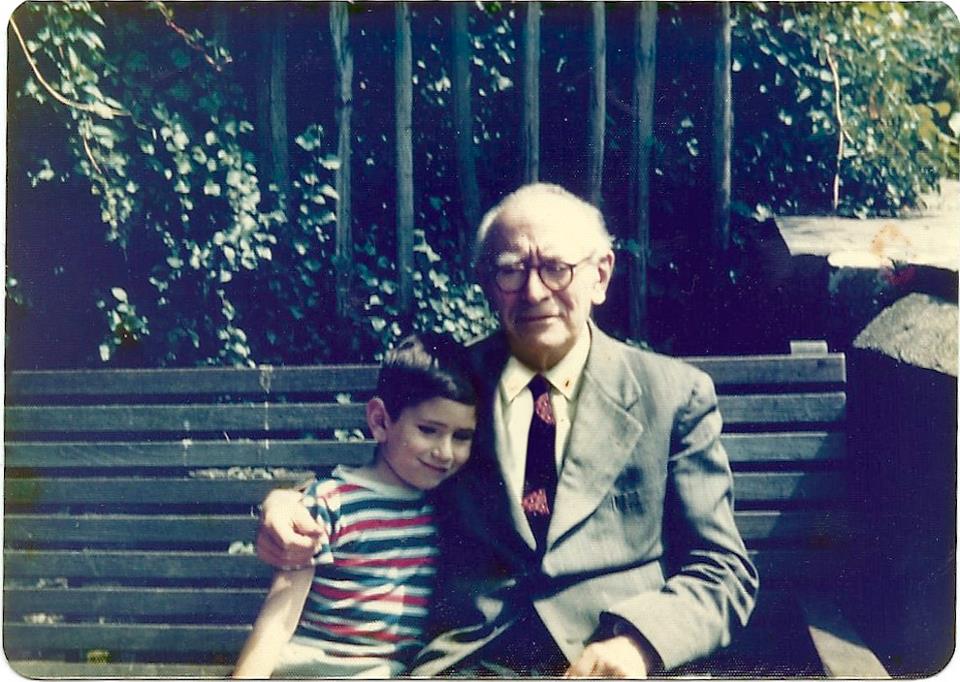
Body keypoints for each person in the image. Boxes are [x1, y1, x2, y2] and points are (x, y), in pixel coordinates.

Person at [255, 183, 759, 677]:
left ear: (601, 275)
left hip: (611, 658)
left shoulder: (671, 395)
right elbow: (385, 466)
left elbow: (723, 570)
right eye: (511, 270)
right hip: (476, 660)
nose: (534, 291)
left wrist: (638, 646)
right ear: (487, 284)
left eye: (556, 268)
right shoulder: (455, 384)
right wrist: (288, 504)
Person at [233, 333, 478, 678]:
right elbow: (279, 618)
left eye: (462, 437)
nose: (445, 452)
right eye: (428, 430)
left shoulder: (442, 508)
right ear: (380, 421)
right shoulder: (330, 504)